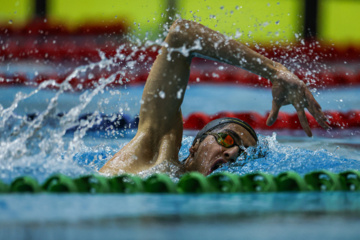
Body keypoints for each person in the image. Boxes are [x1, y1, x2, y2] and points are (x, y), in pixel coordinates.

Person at [99, 19, 329, 176]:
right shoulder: (155, 153)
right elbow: (181, 35)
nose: (233, 154)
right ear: (194, 146)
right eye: (227, 140)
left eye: (244, 153)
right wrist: (275, 70)